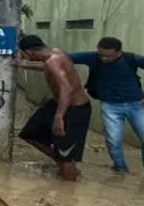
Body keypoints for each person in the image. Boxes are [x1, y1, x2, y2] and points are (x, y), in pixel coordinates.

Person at [68, 37, 144, 175]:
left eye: (108, 56)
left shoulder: (132, 59)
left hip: (138, 105)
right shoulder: (93, 58)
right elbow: (64, 57)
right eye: (101, 55)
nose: (103, 59)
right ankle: (120, 169)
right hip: (110, 106)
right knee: (113, 141)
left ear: (119, 52)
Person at [15, 35, 93, 181]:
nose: (23, 57)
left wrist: (59, 117)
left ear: (29, 52)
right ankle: (63, 164)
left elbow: (67, 88)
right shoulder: (54, 55)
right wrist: (21, 65)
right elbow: (47, 69)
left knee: (66, 153)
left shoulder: (53, 62)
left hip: (74, 108)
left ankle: (68, 188)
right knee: (30, 133)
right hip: (57, 103)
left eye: (23, 55)